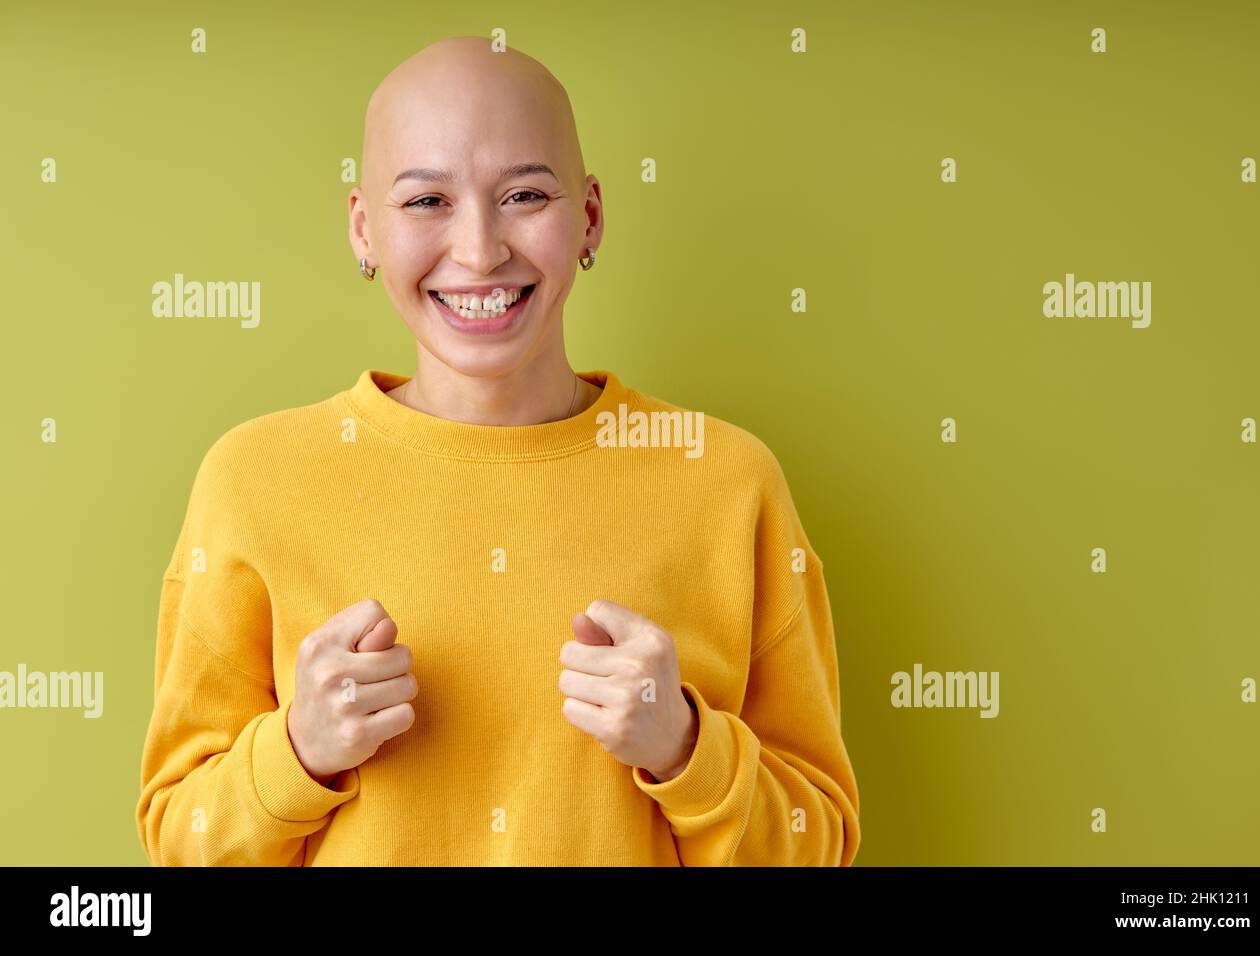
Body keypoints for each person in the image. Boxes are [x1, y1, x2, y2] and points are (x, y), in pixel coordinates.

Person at [135, 35, 860, 866]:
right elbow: (179, 840)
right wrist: (296, 753)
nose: (479, 250)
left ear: (588, 215)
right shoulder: (252, 480)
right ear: (364, 229)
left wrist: (688, 750)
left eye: (524, 195)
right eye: (425, 202)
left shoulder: (729, 480)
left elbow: (821, 841)